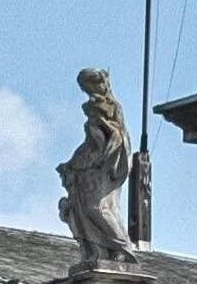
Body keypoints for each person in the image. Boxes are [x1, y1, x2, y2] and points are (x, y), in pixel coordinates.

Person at [57, 68, 139, 265]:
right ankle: (99, 251)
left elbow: (119, 140)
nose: (89, 91)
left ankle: (122, 247)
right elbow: (91, 142)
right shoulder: (95, 112)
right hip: (90, 166)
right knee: (82, 209)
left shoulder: (113, 109)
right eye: (85, 87)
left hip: (103, 167)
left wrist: (104, 157)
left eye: (91, 85)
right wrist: (72, 164)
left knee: (97, 208)